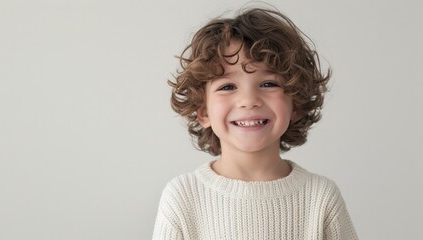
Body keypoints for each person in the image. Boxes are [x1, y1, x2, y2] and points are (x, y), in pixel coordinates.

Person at [152, 7, 358, 240]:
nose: (249, 101)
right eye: (227, 87)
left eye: (269, 84)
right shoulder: (182, 197)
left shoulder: (321, 198)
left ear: (296, 103)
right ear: (203, 110)